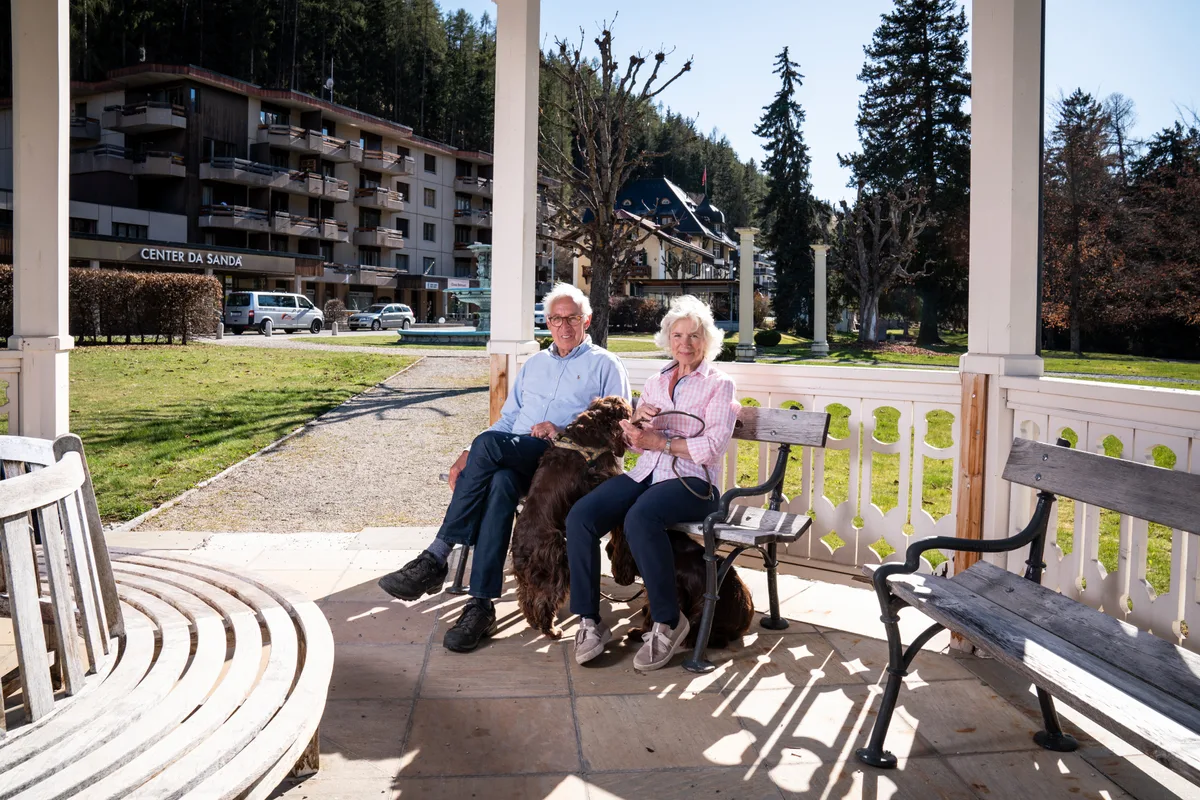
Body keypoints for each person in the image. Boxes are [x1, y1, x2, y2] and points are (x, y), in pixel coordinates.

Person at [378, 283, 630, 653]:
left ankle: (437, 555)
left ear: (586, 320)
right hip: (521, 458)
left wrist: (563, 430)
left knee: (489, 451)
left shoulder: (605, 364)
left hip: (566, 464)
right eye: (556, 319)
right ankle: (480, 605)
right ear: (547, 322)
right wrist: (469, 450)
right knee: (498, 482)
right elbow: (509, 419)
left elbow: (618, 430)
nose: (564, 326)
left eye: (572, 318)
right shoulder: (536, 365)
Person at [565, 295, 739, 671]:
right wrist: (635, 426)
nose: (685, 343)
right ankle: (589, 621)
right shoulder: (657, 381)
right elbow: (634, 445)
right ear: (668, 339)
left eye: (693, 336)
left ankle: (668, 621)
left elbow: (711, 448)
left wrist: (660, 442)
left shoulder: (719, 384)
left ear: (707, 341)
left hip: (694, 484)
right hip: (646, 474)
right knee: (581, 516)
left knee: (640, 517)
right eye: (677, 335)